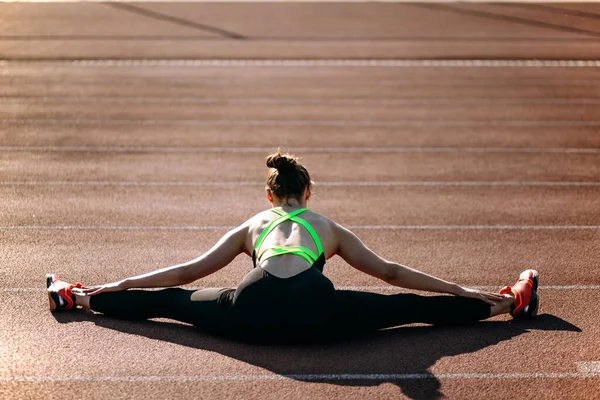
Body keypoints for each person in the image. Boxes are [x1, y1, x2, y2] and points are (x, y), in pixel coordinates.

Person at [46, 151, 539, 343]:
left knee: (170, 307)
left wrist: (119, 283)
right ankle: (506, 304)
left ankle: (79, 298)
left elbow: (187, 275)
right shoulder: (326, 226)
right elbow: (390, 273)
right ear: (309, 193)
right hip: (317, 312)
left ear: (269, 194)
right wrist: (463, 290)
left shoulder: (254, 223)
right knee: (407, 308)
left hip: (251, 313)